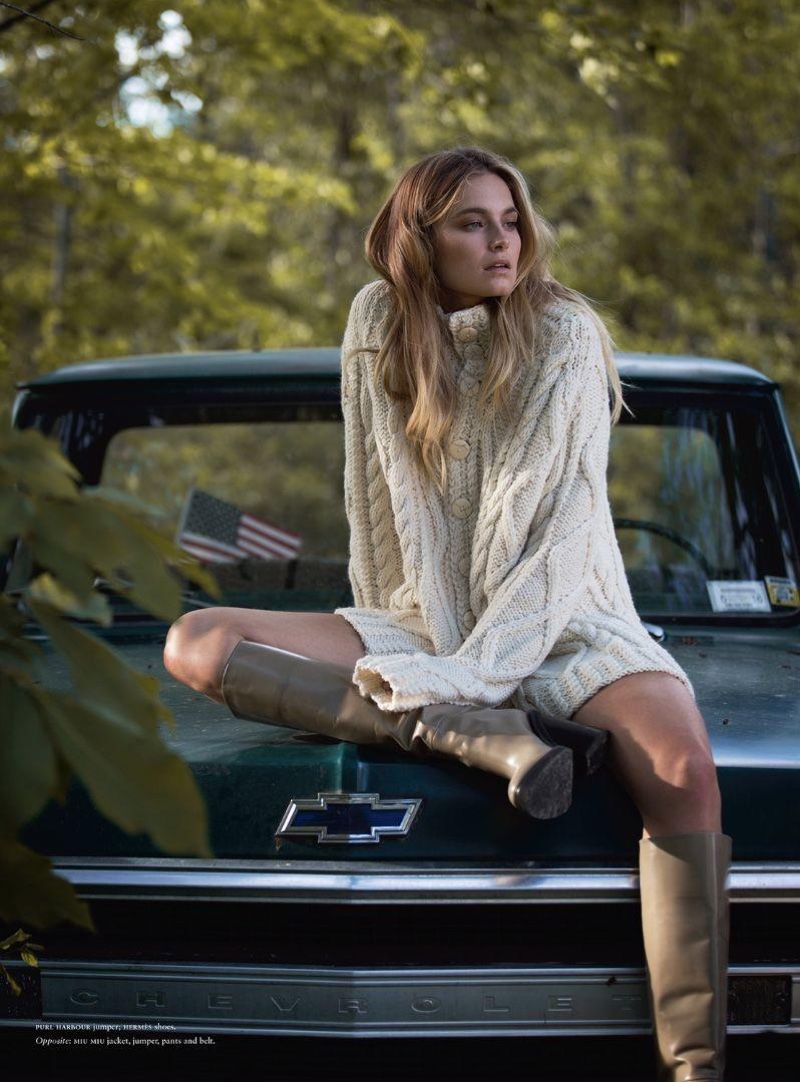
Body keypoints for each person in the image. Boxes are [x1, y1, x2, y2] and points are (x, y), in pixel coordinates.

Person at [163, 146, 730, 1080]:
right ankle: (472, 737)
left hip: (564, 614)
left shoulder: (565, 332)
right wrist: (447, 677)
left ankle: (695, 1066)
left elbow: (555, 536)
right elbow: (377, 510)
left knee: (683, 767)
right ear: (420, 237)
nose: (501, 241)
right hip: (421, 615)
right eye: (472, 222)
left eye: (510, 221)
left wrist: (475, 671)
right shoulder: (375, 323)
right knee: (198, 638)